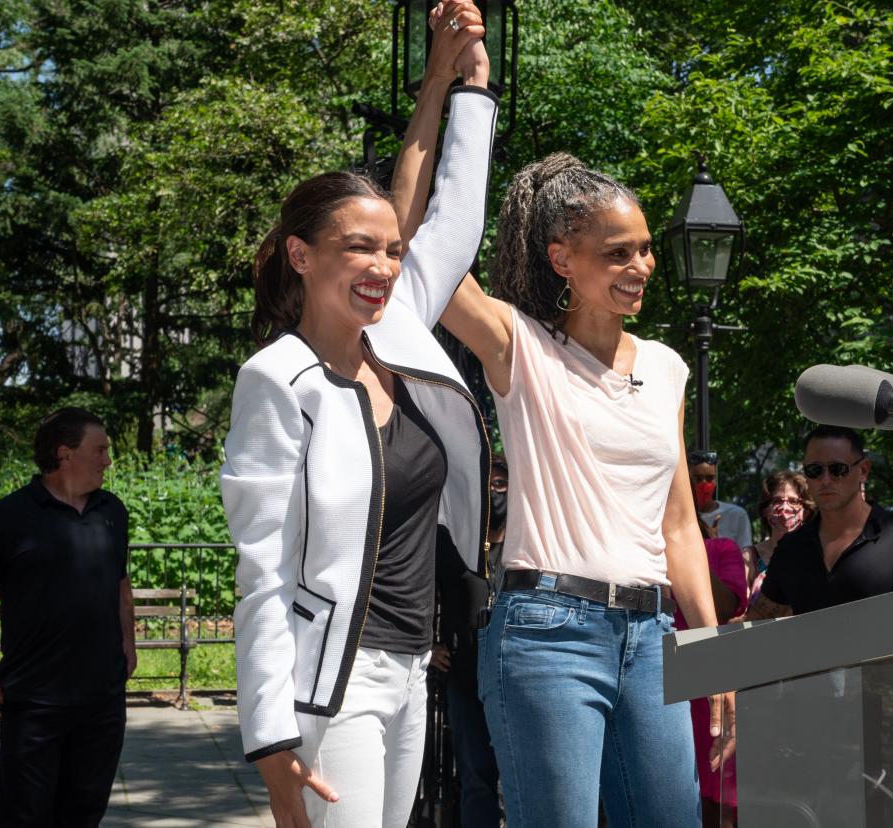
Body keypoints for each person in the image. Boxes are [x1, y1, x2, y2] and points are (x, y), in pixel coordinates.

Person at [391, 99, 735, 825]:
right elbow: (421, 242)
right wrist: (451, 96)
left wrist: (712, 652)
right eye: (617, 252)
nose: (640, 265)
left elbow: (678, 526)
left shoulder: (669, 369)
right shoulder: (520, 346)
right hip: (546, 630)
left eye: (643, 247)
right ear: (562, 260)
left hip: (651, 638)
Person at [219, 6, 498, 826]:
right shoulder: (278, 380)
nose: (383, 266)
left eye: (390, 253)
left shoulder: (398, 339)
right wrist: (271, 739)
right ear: (302, 256)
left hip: (415, 672)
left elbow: (450, 215)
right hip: (328, 686)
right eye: (358, 249)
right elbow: (264, 571)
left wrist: (465, 87)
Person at [745, 425, 893, 814]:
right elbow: (755, 623)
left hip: (891, 742)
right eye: (814, 470)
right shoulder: (793, 549)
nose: (825, 479)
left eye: (837, 469)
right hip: (808, 740)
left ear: (863, 470)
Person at [0, 407, 134, 827]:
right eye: (100, 449)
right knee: (24, 818)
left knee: (85, 815)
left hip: (102, 700)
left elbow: (120, 584)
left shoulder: (113, 512)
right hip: (33, 702)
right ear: (65, 454)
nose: (108, 459)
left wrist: (128, 640)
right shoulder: (9, 517)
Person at [431, 455, 508, 828]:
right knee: (476, 776)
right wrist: (428, 646)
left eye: (501, 484)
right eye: (487, 484)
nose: (494, 492)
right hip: (465, 673)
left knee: (519, 776)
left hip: (515, 675)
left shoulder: (533, 540)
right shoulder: (454, 542)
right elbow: (423, 592)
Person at [673, 519, 747, 828]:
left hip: (706, 686)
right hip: (656, 680)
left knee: (715, 800)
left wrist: (689, 557)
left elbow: (727, 606)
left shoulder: (721, 548)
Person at [743, 470, 814, 600]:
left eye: (793, 501)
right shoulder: (750, 556)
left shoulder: (817, 553)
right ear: (765, 511)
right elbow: (741, 610)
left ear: (806, 512)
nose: (784, 508)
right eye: (776, 501)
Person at [689, 450, 753, 549]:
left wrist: (716, 543)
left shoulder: (737, 515)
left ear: (715, 481)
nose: (704, 484)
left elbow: (744, 558)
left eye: (710, 478)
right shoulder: (678, 517)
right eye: (698, 478)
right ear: (688, 480)